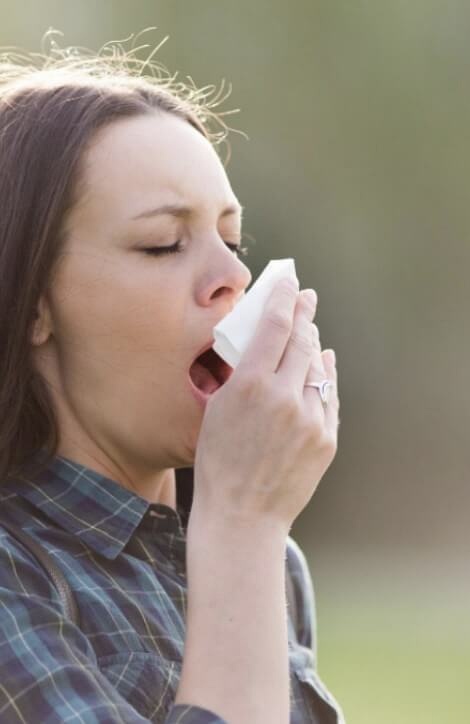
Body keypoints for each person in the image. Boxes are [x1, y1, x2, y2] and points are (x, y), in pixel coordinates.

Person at [0, 30, 343, 724]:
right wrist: (243, 523)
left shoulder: (270, 561)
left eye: (232, 239)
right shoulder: (18, 579)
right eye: (164, 244)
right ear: (35, 301)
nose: (234, 278)